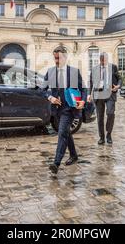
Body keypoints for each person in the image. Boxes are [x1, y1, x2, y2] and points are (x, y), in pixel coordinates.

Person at [41, 46, 87, 174]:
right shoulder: (50, 72)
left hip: (70, 109)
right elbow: (42, 90)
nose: (56, 60)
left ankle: (56, 163)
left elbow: (84, 89)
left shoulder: (73, 72)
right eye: (55, 58)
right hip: (57, 109)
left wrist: (82, 100)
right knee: (66, 132)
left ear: (65, 58)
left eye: (59, 58)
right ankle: (73, 155)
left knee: (61, 132)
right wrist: (51, 98)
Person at [87, 52, 122, 145]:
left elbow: (119, 78)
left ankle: (109, 134)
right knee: (100, 117)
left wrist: (118, 86)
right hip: (98, 95)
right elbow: (90, 82)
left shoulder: (113, 67)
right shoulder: (94, 69)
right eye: (102, 60)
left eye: (105, 60)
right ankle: (101, 137)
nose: (103, 62)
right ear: (100, 60)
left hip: (110, 94)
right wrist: (89, 94)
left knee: (110, 113)